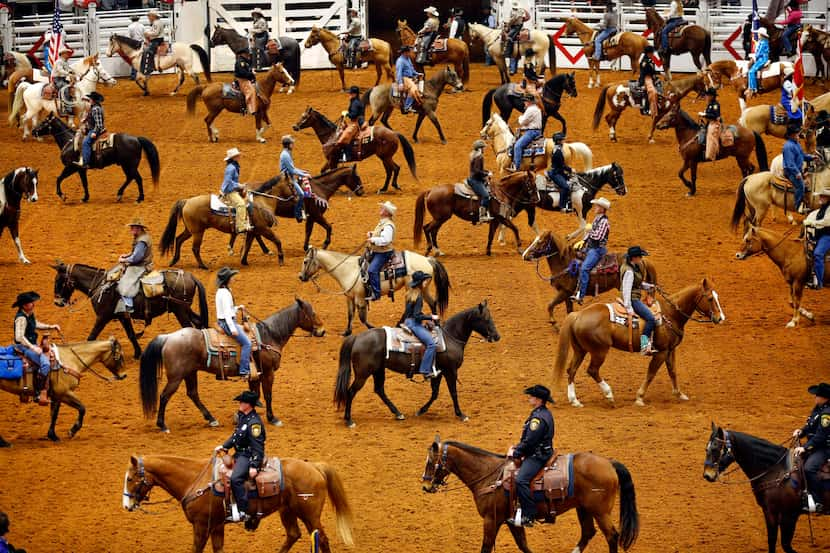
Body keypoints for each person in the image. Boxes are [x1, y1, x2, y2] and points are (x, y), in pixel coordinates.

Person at [507, 384, 554, 528]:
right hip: (542, 450)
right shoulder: (544, 413)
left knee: (521, 480)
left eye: (532, 396)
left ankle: (529, 515)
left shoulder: (537, 419)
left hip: (537, 455)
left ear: (539, 399)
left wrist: (515, 452)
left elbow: (530, 442)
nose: (529, 398)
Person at [215, 390, 266, 522]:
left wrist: (254, 465)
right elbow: (236, 436)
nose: (240, 403)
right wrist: (224, 446)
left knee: (236, 479)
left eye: (242, 402)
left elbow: (258, 446)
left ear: (248, 404)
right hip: (239, 453)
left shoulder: (254, 423)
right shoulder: (244, 417)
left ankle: (244, 510)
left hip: (247, 455)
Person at [12, 291, 60, 406]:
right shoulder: (21, 318)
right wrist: (33, 348)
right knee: (46, 364)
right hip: (23, 347)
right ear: (24, 305)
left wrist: (50, 326)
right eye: (30, 303)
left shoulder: (29, 314)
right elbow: (19, 337)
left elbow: (35, 324)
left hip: (30, 345)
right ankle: (38, 392)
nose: (33, 304)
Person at [793, 382, 830, 513]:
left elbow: (821, 436)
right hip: (815, 446)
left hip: (824, 448)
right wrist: (801, 431)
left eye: (817, 395)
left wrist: (805, 447)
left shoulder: (827, 413)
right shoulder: (818, 408)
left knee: (809, 468)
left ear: (825, 398)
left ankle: (819, 500)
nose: (814, 397)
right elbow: (810, 424)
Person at [399, 271, 440, 379]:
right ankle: (425, 370)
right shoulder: (419, 297)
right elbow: (416, 316)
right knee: (431, 344)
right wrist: (431, 317)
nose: (425, 283)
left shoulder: (409, 294)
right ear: (420, 283)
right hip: (414, 324)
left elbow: (409, 312)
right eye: (424, 281)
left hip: (407, 321)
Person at [571, 197, 611, 304]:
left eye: (597, 206)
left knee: (584, 268)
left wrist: (590, 230)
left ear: (602, 209)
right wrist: (582, 241)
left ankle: (581, 295)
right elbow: (589, 234)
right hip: (590, 247)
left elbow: (597, 236)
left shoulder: (604, 222)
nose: (595, 207)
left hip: (597, 249)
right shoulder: (597, 219)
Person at [214, 267, 252, 379]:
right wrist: (232, 328)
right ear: (227, 279)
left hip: (223, 321)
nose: (233, 279)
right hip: (227, 323)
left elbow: (227, 309)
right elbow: (226, 313)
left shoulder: (221, 291)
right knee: (247, 343)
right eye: (231, 277)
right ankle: (244, 371)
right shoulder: (225, 293)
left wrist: (237, 308)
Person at [620, 246, 656, 354]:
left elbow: (637, 284)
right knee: (650, 318)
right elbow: (627, 289)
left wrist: (649, 286)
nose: (641, 258)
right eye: (640, 256)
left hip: (634, 296)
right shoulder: (629, 271)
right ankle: (644, 345)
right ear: (634, 258)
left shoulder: (632, 267)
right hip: (633, 299)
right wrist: (629, 307)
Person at [116, 218, 153, 315]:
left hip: (141, 266)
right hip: (143, 264)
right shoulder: (142, 236)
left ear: (139, 228)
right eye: (131, 227)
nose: (131, 229)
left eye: (133, 227)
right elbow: (135, 252)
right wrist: (127, 255)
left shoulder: (141, 241)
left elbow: (136, 258)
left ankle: (128, 306)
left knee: (124, 283)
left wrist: (124, 260)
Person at [366, 201, 397, 301]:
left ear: (387, 213)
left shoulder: (388, 225)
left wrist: (373, 240)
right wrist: (372, 233)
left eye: (383, 208)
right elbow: (380, 234)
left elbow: (385, 240)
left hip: (383, 253)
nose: (381, 209)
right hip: (377, 251)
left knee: (372, 270)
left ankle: (376, 293)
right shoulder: (383, 223)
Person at [783, 123, 814, 213]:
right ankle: (798, 206)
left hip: (797, 169)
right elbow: (790, 164)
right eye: (796, 134)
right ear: (791, 135)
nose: (798, 135)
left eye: (798, 133)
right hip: (790, 171)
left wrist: (812, 157)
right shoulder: (788, 146)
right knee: (801, 186)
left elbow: (802, 155)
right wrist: (797, 173)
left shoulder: (797, 143)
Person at [220, 147, 253, 234]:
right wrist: (239, 185)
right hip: (229, 191)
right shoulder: (232, 168)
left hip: (232, 189)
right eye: (237, 155)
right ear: (233, 158)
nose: (239, 156)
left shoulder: (233, 166)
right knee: (241, 204)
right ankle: (240, 226)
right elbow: (228, 182)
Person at [280, 135, 311, 222]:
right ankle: (298, 214)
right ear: (288, 145)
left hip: (290, 176)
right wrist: (304, 175)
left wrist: (303, 172)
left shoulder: (287, 153)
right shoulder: (285, 155)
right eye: (292, 143)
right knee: (301, 194)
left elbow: (293, 168)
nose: (293, 145)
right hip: (288, 178)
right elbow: (291, 170)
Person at [804, 189, 830, 289]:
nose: (820, 198)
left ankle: (819, 282)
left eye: (823, 196)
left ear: (828, 198)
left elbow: (827, 222)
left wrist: (813, 223)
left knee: (818, 254)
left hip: (827, 235)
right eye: (820, 196)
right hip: (819, 234)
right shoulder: (821, 209)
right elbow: (813, 216)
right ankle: (808, 277)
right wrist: (808, 220)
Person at [512, 95, 542, 171]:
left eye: (525, 101)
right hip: (536, 131)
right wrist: (522, 128)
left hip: (532, 132)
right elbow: (529, 123)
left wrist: (520, 118)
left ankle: (516, 167)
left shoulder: (530, 110)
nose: (524, 103)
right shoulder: (536, 108)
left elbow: (522, 122)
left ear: (529, 102)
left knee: (517, 146)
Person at [75, 91, 105, 167]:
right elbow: (91, 118)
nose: (89, 100)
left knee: (86, 143)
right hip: (91, 128)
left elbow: (99, 124)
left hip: (95, 129)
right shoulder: (94, 107)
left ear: (94, 100)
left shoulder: (96, 109)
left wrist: (94, 132)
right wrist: (85, 120)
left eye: (90, 99)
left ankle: (86, 162)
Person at [336, 85, 364, 162]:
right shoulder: (356, 101)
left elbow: (353, 114)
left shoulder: (355, 103)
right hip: (355, 121)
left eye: (351, 93)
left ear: (355, 94)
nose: (350, 95)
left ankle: (348, 156)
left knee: (344, 137)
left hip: (356, 123)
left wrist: (347, 114)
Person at [546, 132, 572, 211]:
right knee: (565, 187)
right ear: (558, 141)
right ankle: (562, 206)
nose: (563, 141)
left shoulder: (558, 149)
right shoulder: (558, 152)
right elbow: (561, 165)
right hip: (555, 173)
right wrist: (570, 170)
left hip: (558, 171)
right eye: (562, 140)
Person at [468, 139, 492, 222]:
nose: (484, 149)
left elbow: (477, 169)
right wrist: (486, 174)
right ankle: (482, 216)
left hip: (474, 178)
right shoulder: (479, 157)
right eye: (483, 148)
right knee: (486, 195)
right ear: (479, 148)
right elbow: (477, 171)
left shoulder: (474, 156)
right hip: (475, 180)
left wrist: (486, 171)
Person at [504, 1, 530, 74]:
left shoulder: (515, 11)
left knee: (509, 38)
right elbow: (528, 17)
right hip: (520, 26)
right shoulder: (522, 11)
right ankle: (514, 68)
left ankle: (507, 51)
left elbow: (513, 20)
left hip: (515, 27)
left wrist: (508, 25)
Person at [699, 87, 721, 162]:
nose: (706, 97)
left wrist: (704, 114)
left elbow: (715, 116)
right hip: (709, 122)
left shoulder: (715, 105)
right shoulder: (710, 104)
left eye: (707, 95)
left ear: (712, 96)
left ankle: (710, 154)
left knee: (711, 134)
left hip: (714, 123)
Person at [395, 45, 420, 114]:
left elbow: (411, 69)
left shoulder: (408, 59)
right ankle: (407, 107)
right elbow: (399, 73)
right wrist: (400, 83)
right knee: (413, 89)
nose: (411, 53)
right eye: (409, 52)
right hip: (404, 78)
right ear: (405, 53)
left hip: (410, 77)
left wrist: (417, 73)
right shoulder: (400, 61)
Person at [50, 46, 74, 115]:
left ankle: (71, 102)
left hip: (62, 79)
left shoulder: (65, 62)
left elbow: (68, 69)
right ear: (62, 54)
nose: (68, 54)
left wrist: (72, 72)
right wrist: (68, 74)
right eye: (67, 53)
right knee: (65, 88)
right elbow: (60, 70)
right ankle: (66, 108)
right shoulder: (59, 62)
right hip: (57, 79)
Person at [747, 27, 770, 97]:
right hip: (761, 58)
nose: (758, 35)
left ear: (761, 35)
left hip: (762, 59)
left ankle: (753, 88)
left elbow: (759, 53)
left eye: (759, 34)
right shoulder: (762, 42)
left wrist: (753, 56)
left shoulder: (763, 42)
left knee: (751, 71)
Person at [234, 49, 257, 116]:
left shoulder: (244, 61)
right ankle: (249, 109)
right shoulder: (241, 62)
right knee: (250, 91)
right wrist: (251, 74)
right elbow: (242, 73)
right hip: (242, 80)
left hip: (245, 79)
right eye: (246, 54)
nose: (248, 55)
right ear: (242, 54)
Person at [142, 9, 165, 75]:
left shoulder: (156, 23)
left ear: (153, 16)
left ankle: (151, 67)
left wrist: (147, 34)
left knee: (148, 52)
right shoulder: (157, 22)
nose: (148, 17)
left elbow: (156, 33)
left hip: (157, 40)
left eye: (149, 16)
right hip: (158, 39)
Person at [638, 45, 659, 115]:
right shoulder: (645, 62)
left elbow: (652, 71)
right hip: (646, 78)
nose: (653, 54)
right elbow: (645, 73)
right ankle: (647, 109)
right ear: (648, 53)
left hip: (650, 77)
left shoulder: (648, 60)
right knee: (652, 91)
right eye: (652, 53)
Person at [127, 15, 145, 80]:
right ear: (138, 19)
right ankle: (142, 74)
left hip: (134, 44)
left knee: (134, 59)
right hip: (141, 43)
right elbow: (144, 35)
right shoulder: (142, 26)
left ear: (132, 20)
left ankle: (133, 75)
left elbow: (128, 37)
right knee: (141, 59)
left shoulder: (130, 27)